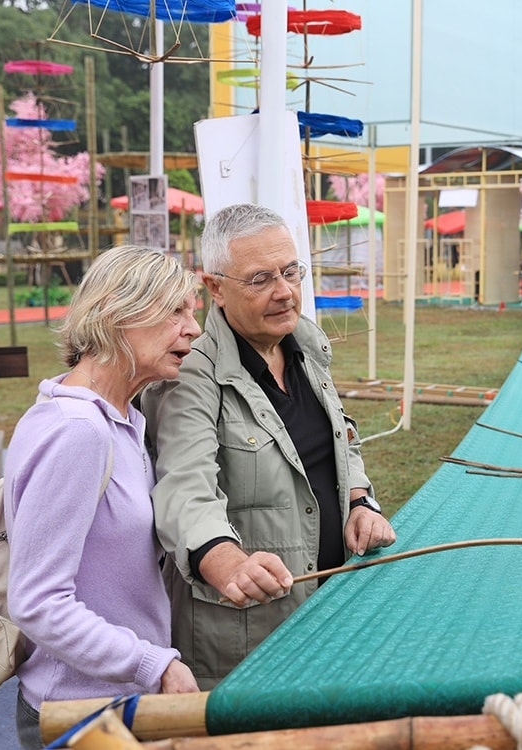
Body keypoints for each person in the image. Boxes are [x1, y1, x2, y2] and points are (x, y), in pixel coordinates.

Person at [141, 203, 397, 689]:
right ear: (214, 286)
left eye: (291, 271)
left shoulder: (304, 344)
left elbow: (342, 441)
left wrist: (361, 503)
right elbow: (183, 488)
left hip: (329, 609)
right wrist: (226, 562)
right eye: (260, 279)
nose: (285, 292)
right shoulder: (192, 371)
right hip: (246, 636)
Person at [4, 245, 202, 749]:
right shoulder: (80, 433)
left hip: (110, 703)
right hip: (82, 715)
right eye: (176, 310)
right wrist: (152, 663)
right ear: (119, 314)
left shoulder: (120, 421)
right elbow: (37, 602)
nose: (193, 329)